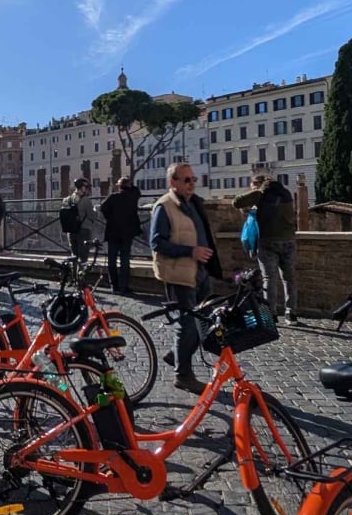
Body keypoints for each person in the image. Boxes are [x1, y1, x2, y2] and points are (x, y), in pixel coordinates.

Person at [150, 163, 222, 394]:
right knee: (187, 324)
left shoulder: (194, 203)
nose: (192, 183)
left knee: (206, 320)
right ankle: (183, 375)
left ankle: (176, 353)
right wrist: (190, 251)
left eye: (194, 179)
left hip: (199, 271)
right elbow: (157, 243)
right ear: (173, 182)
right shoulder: (164, 207)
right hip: (179, 274)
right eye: (186, 180)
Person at [233, 174, 299, 324]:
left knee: (269, 278)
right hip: (289, 240)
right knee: (290, 278)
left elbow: (236, 202)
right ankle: (291, 314)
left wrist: (256, 191)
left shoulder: (260, 194)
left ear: (259, 185)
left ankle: (271, 314)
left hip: (268, 241)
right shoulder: (285, 192)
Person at [99, 176, 141, 295]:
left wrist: (110, 218)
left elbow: (103, 208)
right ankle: (124, 286)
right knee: (125, 260)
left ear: (119, 186)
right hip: (127, 233)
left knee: (112, 260)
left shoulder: (113, 197)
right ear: (129, 186)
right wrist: (130, 185)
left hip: (113, 232)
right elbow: (137, 191)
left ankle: (114, 285)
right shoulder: (133, 197)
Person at [64, 178, 96, 262]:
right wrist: (95, 210)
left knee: (74, 256)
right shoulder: (85, 200)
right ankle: (81, 274)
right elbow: (92, 216)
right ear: (83, 188)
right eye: (87, 187)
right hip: (83, 231)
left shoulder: (68, 199)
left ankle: (74, 274)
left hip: (70, 232)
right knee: (83, 258)